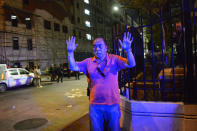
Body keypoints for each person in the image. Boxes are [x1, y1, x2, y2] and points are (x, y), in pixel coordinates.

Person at [66, 32, 136, 131]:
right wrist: (70, 52)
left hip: (112, 104)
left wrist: (128, 50)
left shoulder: (114, 59)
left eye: (100, 46)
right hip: (95, 105)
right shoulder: (88, 62)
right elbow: (73, 66)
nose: (97, 49)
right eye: (94, 46)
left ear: (106, 47)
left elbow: (131, 64)